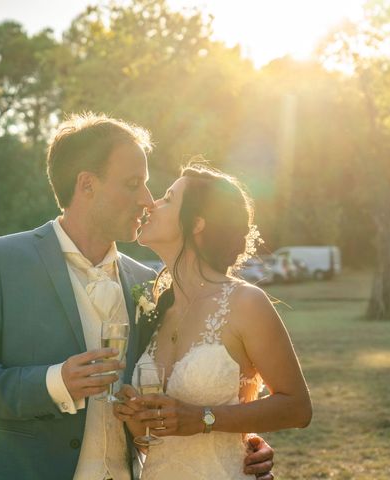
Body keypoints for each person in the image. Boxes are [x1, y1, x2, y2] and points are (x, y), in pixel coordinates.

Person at [0, 113, 275, 479]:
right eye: (133, 184)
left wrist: (239, 441)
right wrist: (55, 382)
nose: (147, 200)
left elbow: (180, 386)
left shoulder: (149, 283)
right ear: (87, 184)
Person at [113, 164, 312, 479]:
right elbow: (156, 438)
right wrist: (134, 413)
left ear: (197, 223)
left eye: (168, 198)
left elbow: (298, 408)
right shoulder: (156, 309)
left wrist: (204, 419)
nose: (152, 204)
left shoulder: (246, 303)